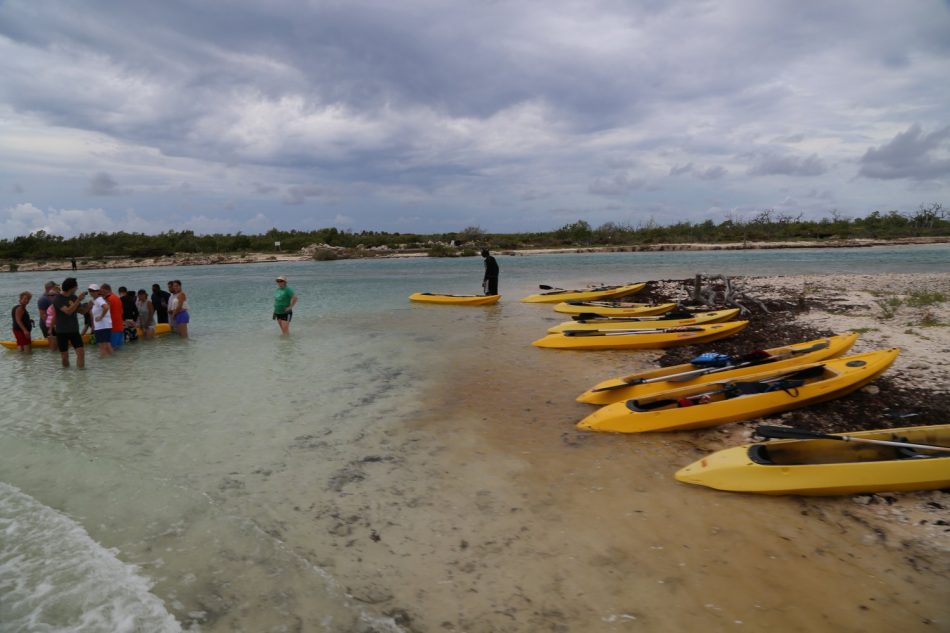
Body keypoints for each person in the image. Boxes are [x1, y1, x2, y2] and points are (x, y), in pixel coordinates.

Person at [52, 277, 88, 368]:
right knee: (65, 357)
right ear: (71, 288)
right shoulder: (58, 299)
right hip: (62, 331)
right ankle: (66, 375)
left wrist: (90, 305)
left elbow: (82, 311)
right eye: (76, 287)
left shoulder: (74, 297)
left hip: (74, 330)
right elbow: (68, 312)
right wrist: (78, 300)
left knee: (81, 353)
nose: (77, 289)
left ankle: (81, 376)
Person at [89, 284, 112, 356]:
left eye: (93, 291)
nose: (91, 292)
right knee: (107, 345)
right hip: (102, 326)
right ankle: (113, 362)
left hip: (103, 326)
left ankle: (103, 364)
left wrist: (101, 317)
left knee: (102, 347)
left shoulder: (99, 300)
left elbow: (106, 307)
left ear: (98, 291)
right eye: (90, 291)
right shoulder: (96, 300)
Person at [101, 284, 124, 349]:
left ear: (105, 290)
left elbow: (105, 312)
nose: (100, 293)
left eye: (101, 291)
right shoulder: (117, 298)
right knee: (119, 350)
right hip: (120, 327)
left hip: (112, 328)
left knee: (111, 350)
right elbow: (122, 311)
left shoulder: (108, 299)